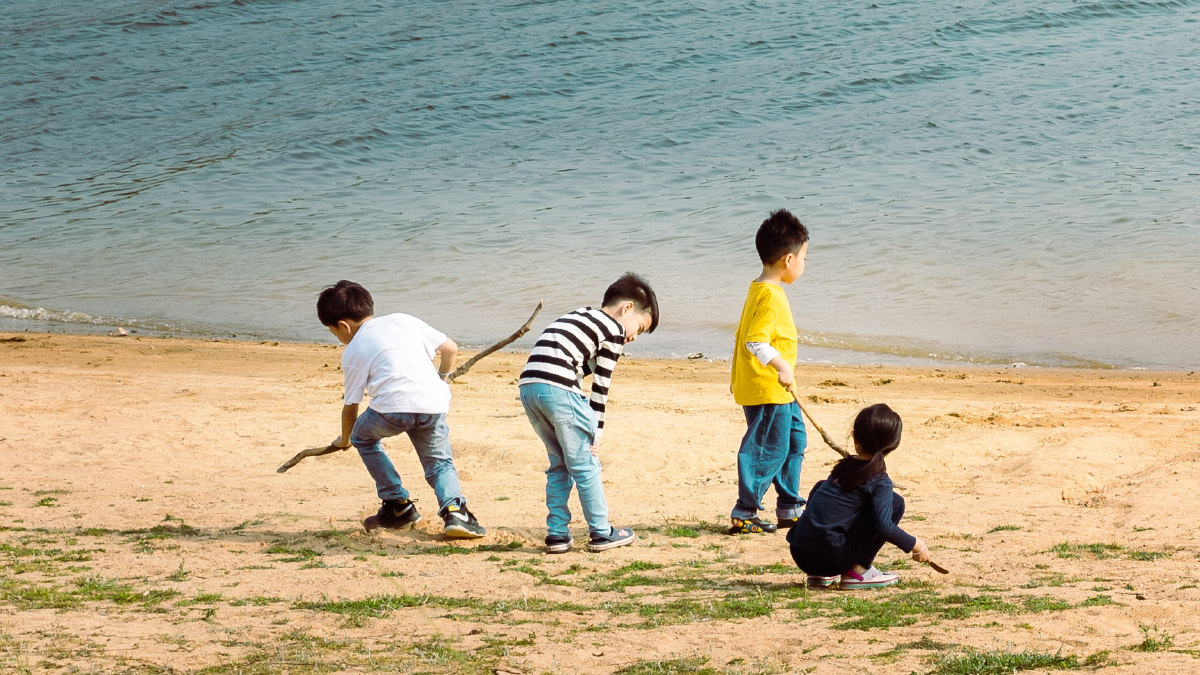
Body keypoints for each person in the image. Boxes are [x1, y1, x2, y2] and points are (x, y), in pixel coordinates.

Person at [317, 280, 486, 539]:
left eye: (334, 333)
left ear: (343, 326)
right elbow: (450, 348)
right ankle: (456, 512)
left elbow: (351, 405)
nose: (339, 339)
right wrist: (442, 377)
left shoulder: (353, 350)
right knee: (439, 463)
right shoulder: (403, 319)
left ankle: (397, 505)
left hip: (391, 412)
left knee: (363, 437)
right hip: (433, 405)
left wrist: (345, 439)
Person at [518, 273, 659, 553]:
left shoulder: (580, 315)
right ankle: (601, 531)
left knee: (559, 463)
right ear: (627, 308)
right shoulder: (614, 330)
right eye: (639, 328)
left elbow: (578, 365)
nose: (633, 336)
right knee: (586, 465)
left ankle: (557, 533)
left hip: (529, 387)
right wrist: (597, 433)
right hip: (559, 389)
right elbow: (600, 387)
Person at [786, 403, 931, 589]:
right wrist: (916, 545)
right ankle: (858, 570)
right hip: (831, 558)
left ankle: (819, 575)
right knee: (895, 503)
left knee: (822, 487)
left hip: (800, 553)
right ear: (893, 445)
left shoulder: (842, 469)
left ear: (855, 437)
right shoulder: (880, 481)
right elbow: (884, 526)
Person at [728, 209, 810, 534]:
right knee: (767, 448)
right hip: (768, 388)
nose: (805, 263)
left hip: (776, 389)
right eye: (805, 256)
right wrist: (781, 366)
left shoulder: (762, 289)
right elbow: (754, 340)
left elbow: (741, 336)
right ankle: (745, 511)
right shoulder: (769, 296)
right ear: (789, 259)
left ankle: (789, 507)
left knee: (794, 440)